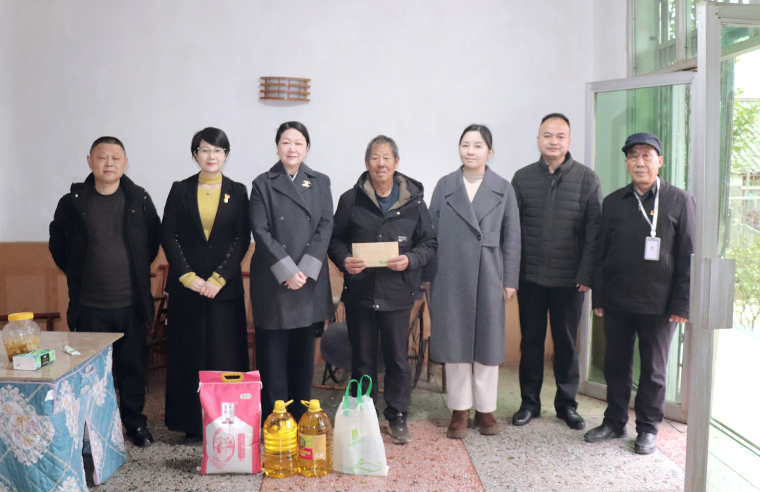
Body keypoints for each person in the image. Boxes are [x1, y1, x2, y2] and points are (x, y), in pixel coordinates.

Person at [585, 132, 694, 454]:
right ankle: (614, 421)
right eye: (633, 156)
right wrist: (599, 297)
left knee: (654, 370)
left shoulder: (680, 200)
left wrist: (682, 304)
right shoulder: (613, 201)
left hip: (660, 304)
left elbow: (688, 255)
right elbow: (600, 253)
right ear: (626, 163)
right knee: (615, 366)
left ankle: (647, 428)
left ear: (660, 161)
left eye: (647, 155)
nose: (640, 162)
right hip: (617, 300)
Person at [49, 136, 161, 448]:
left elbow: (152, 242)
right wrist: (77, 271)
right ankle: (94, 426)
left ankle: (134, 423)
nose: (108, 163)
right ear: (90, 161)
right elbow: (58, 245)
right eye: (102, 157)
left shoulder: (139, 199)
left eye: (115, 158)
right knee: (91, 371)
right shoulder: (72, 202)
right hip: (89, 305)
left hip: (131, 303)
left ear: (125, 163)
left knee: (132, 368)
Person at [328, 135, 437, 444]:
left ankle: (397, 414)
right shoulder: (351, 200)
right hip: (360, 293)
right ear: (367, 163)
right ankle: (364, 414)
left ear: (396, 162)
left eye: (386, 158)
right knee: (362, 359)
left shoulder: (415, 201)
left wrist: (410, 259)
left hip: (398, 293)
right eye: (375, 158)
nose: (381, 163)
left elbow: (430, 243)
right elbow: (334, 239)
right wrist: (344, 259)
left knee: (397, 359)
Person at [510, 113, 602, 430]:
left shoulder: (587, 179)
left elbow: (594, 231)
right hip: (530, 278)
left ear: (569, 141)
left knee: (566, 344)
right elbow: (513, 231)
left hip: (569, 281)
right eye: (547, 135)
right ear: (538, 139)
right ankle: (529, 404)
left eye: (560, 136)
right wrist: (512, 274)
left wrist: (586, 273)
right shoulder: (522, 178)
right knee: (531, 343)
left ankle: (566, 405)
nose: (553, 141)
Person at [428, 124, 521, 438]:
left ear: (490, 152)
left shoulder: (503, 188)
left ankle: (485, 409)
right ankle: (459, 409)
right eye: (465, 144)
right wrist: (429, 275)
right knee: (455, 343)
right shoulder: (445, 185)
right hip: (450, 272)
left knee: (488, 344)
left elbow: (513, 237)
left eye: (478, 145)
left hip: (489, 271)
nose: (470, 150)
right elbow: (430, 233)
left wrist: (510, 279)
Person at [161, 127, 251, 443]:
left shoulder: (238, 191)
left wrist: (218, 279)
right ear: (195, 154)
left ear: (226, 155)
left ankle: (226, 422)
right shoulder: (180, 189)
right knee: (189, 357)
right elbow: (168, 234)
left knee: (225, 357)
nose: (211, 156)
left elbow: (242, 238)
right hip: (188, 290)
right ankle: (192, 424)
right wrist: (188, 276)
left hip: (224, 291)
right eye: (205, 149)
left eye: (218, 150)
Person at [249, 121, 333, 425]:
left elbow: (326, 226)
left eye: (298, 143)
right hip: (274, 281)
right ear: (277, 148)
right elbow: (260, 231)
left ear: (307, 148)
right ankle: (276, 421)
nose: (292, 148)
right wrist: (287, 271)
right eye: (286, 142)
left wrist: (305, 270)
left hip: (307, 282)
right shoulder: (262, 183)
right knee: (272, 357)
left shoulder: (320, 182)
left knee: (302, 356)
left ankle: (301, 418)